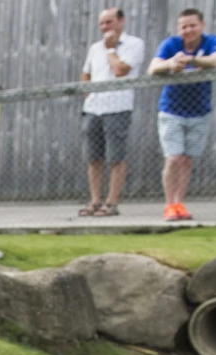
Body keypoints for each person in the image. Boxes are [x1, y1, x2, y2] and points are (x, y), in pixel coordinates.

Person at [149, 8, 216, 221]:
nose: (188, 30)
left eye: (192, 25)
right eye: (184, 26)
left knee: (186, 159)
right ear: (178, 28)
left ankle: (180, 203)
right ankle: (169, 205)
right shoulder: (170, 45)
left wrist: (191, 60)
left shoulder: (212, 42)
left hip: (200, 110)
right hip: (172, 109)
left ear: (202, 25)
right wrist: (170, 64)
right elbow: (153, 67)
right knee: (173, 158)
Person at [79, 8, 145, 217]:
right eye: (102, 23)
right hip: (93, 108)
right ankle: (95, 201)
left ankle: (111, 202)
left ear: (121, 21)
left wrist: (110, 49)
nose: (105, 27)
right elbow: (86, 72)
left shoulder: (134, 44)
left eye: (109, 22)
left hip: (118, 107)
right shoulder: (94, 48)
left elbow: (120, 70)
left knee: (115, 157)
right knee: (93, 157)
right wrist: (87, 92)